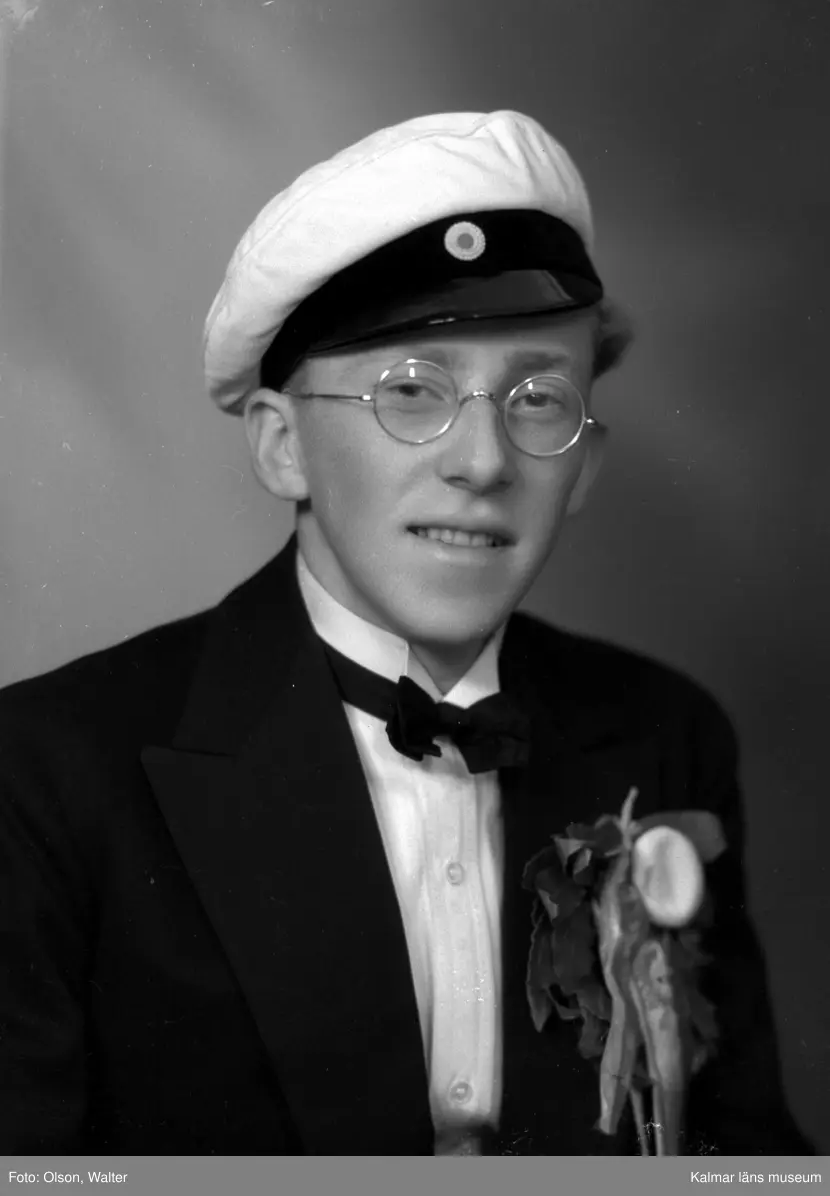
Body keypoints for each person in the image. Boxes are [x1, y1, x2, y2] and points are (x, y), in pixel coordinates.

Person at [0, 110, 812, 1157]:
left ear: (585, 465)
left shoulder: (664, 735)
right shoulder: (50, 772)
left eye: (539, 400)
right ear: (282, 446)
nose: (483, 461)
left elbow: (740, 1158)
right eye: (413, 393)